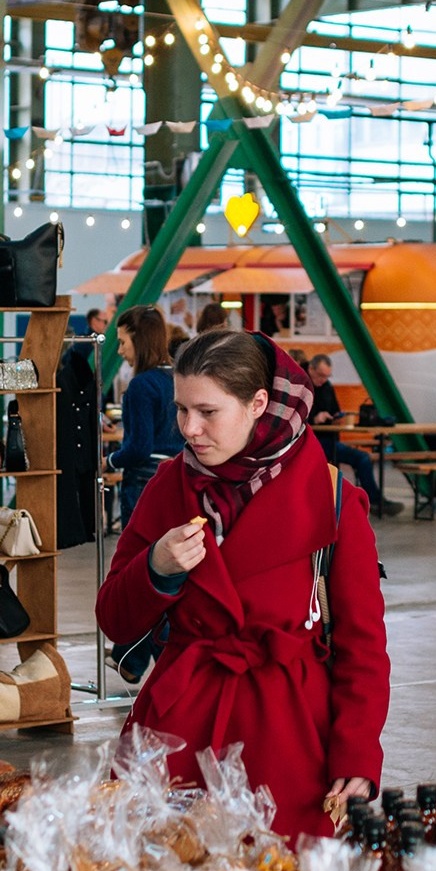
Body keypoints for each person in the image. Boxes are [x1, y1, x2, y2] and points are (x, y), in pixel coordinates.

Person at [95, 329, 390, 839]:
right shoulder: (170, 486)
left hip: (288, 740)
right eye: (182, 409)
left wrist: (358, 753)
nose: (189, 429)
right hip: (177, 730)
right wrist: (156, 568)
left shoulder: (332, 497)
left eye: (208, 412)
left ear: (258, 403)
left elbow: (362, 644)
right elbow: (113, 618)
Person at [108, 304, 184, 524]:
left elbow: (139, 447)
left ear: (139, 340)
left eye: (123, 342)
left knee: (137, 551)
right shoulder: (177, 377)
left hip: (144, 477)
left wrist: (109, 460)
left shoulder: (141, 385)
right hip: (178, 474)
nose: (120, 351)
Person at [306, 354, 403, 517]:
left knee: (363, 458)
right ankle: (373, 501)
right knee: (359, 458)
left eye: (327, 376)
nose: (323, 380)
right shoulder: (301, 386)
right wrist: (314, 417)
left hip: (329, 438)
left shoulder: (327, 387)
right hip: (311, 442)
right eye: (321, 375)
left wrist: (337, 417)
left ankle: (374, 501)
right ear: (310, 369)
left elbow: (334, 409)